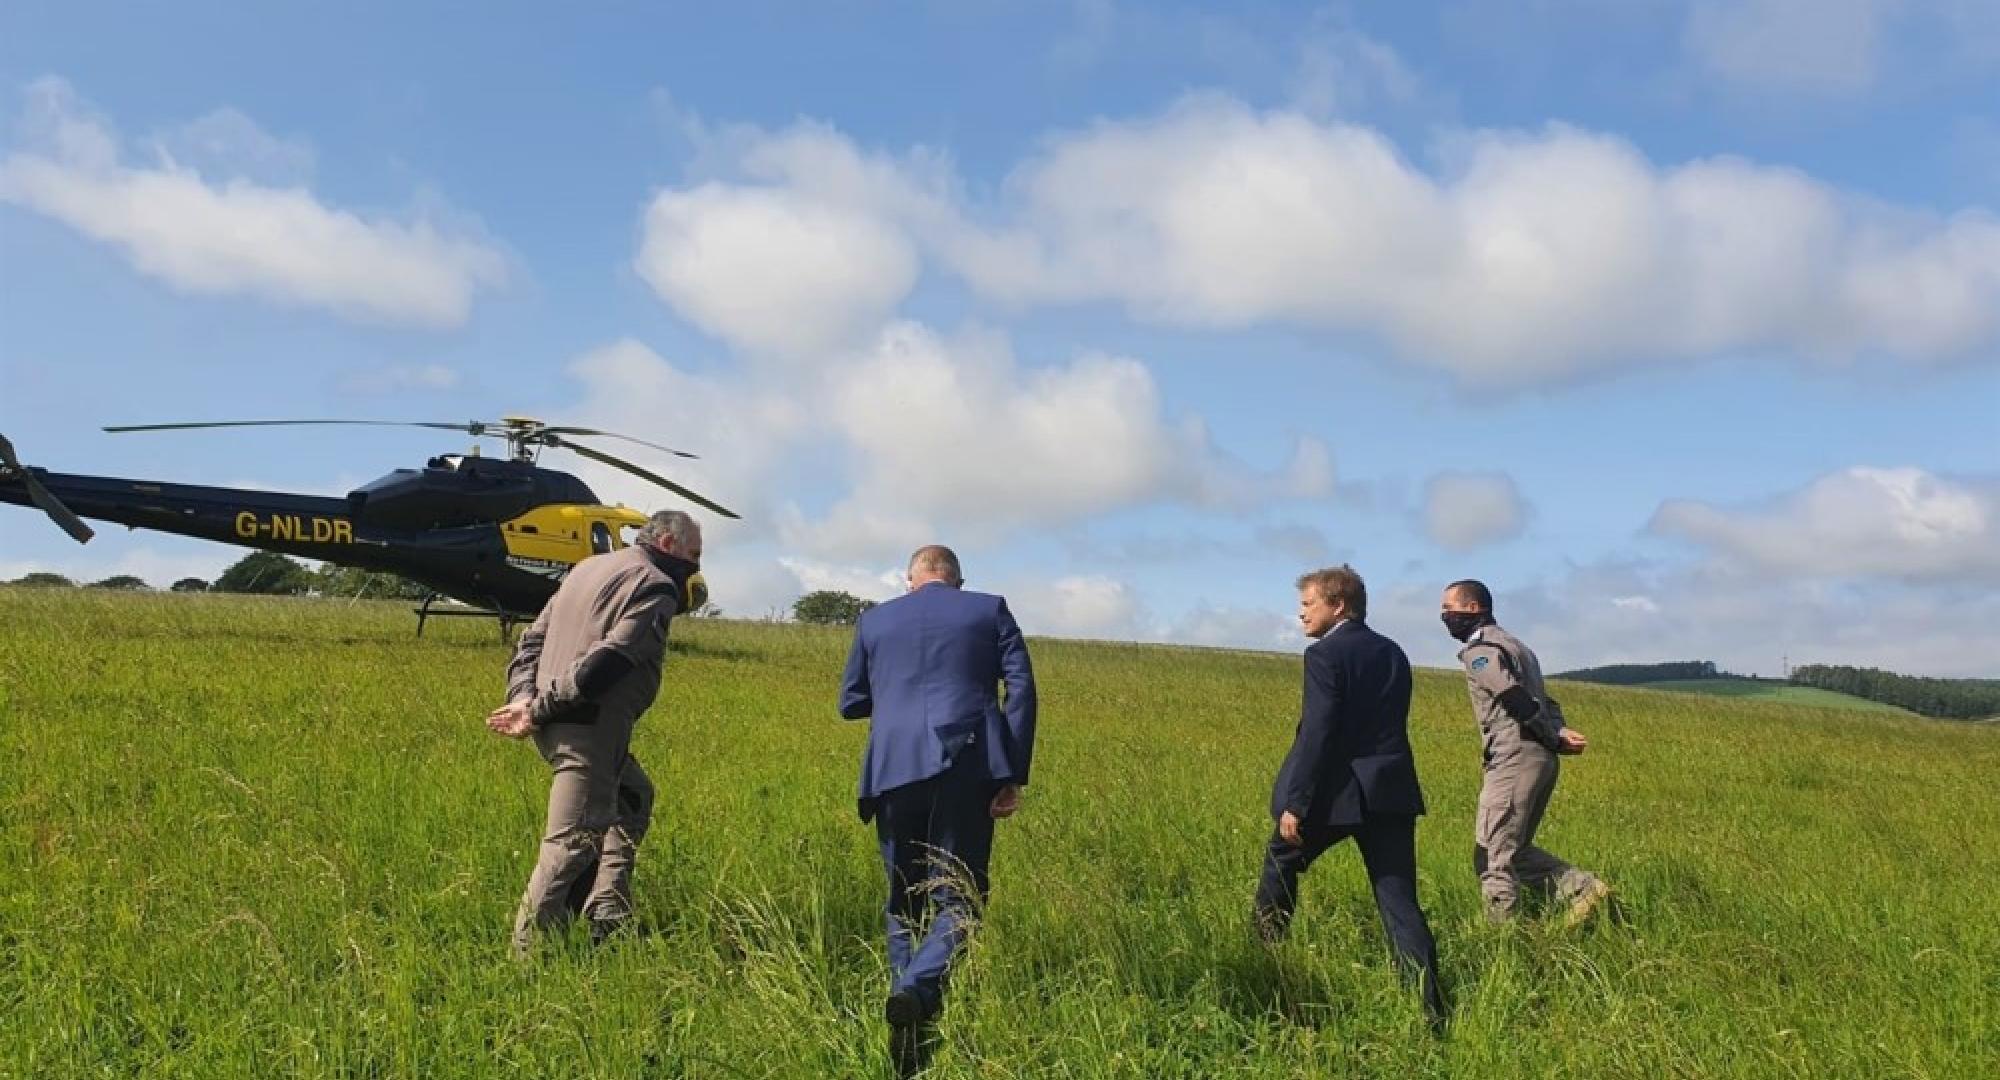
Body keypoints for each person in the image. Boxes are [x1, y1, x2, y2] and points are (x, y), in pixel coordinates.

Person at [839, 545, 1036, 1077]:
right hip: (966, 763)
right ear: (957, 580)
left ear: (911, 581)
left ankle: (907, 1017)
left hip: (892, 766)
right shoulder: (989, 608)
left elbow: (850, 700)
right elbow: (1021, 690)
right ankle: (919, 993)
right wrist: (1011, 770)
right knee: (961, 895)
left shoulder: (874, 620)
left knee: (904, 897)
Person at [486, 510, 705, 955]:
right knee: (571, 843)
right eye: (693, 554)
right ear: (666, 543)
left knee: (631, 797)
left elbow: (531, 640)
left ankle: (608, 910)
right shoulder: (655, 585)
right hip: (586, 729)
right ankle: (530, 958)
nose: (696, 565)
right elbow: (610, 660)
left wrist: (523, 696)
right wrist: (539, 708)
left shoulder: (587, 567)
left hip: (563, 723)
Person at [1255, 566, 1447, 1025]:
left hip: (1338, 796)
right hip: (1391, 794)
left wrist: (1296, 803)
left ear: (1337, 605)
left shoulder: (1324, 655)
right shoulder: (1394, 652)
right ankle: (1431, 1012)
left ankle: (1266, 962)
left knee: (1281, 861)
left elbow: (1319, 733)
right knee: (1400, 903)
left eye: (1308, 605)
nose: (1301, 614)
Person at [1440, 579, 1612, 926]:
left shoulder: (1481, 651)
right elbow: (1546, 701)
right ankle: (1580, 889)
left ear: (1472, 608)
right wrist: (1558, 732)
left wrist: (1552, 736)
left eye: (1448, 609)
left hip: (1513, 757)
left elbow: (1513, 698)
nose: (1444, 617)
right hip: (1537, 758)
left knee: (1492, 857)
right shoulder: (1519, 647)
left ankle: (1502, 942)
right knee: (1514, 852)